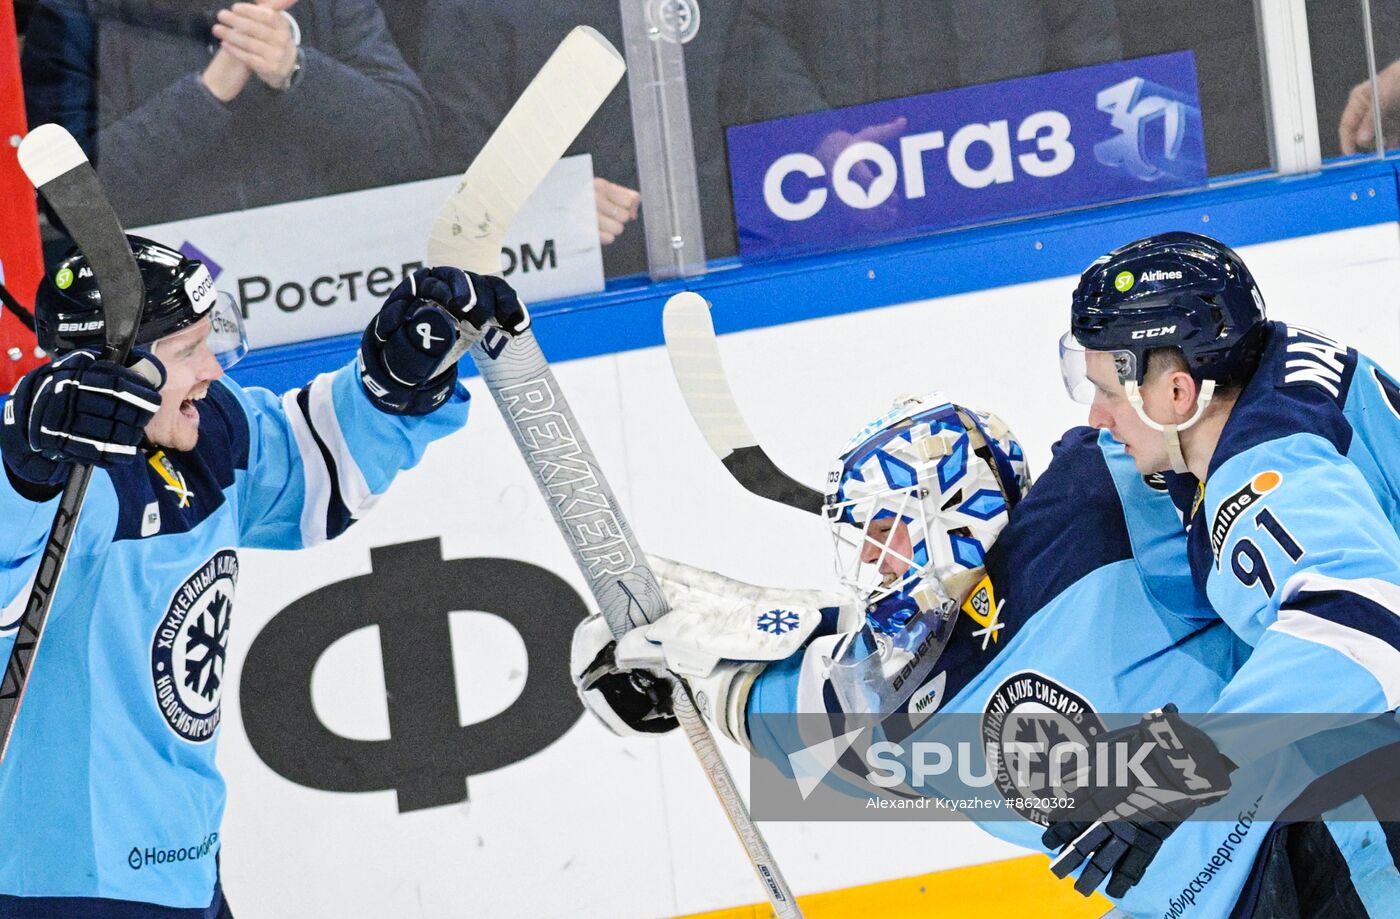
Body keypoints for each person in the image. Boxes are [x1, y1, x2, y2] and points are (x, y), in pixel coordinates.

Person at [572, 393, 1399, 916]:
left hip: (1313, 832)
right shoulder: (892, 684)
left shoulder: (1092, 499)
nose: (872, 566)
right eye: (861, 544)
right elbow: (796, 708)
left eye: (888, 532)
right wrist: (695, 677)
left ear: (954, 505)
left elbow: (1243, 503)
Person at [0, 236, 527, 916]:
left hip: (180, 866)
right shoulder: (60, 475)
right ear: (117, 369)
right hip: (55, 884)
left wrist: (394, 382)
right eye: (188, 350)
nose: (211, 367)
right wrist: (23, 470)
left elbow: (312, 469)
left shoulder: (202, 430)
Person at [1052, 230, 1400, 900]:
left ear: (1178, 391)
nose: (1098, 418)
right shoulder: (1273, 368)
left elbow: (1365, 624)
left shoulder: (1261, 471)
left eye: (1108, 393)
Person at [20, 0, 434, 228]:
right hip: (168, 309)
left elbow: (412, 148)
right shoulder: (72, 15)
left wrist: (296, 71)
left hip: (335, 276)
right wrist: (207, 95)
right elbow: (71, 202)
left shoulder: (325, 5)